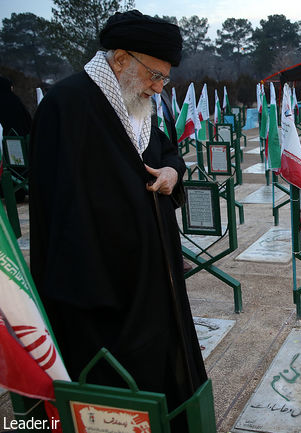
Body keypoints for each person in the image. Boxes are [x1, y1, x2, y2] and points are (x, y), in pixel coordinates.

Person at [29, 10, 207, 428]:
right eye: (155, 75)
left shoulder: (139, 102)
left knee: (163, 372)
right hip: (101, 288)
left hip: (154, 275)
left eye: (164, 79)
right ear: (122, 58)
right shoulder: (67, 104)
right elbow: (59, 208)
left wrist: (172, 172)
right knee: (114, 392)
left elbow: (166, 152)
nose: (159, 87)